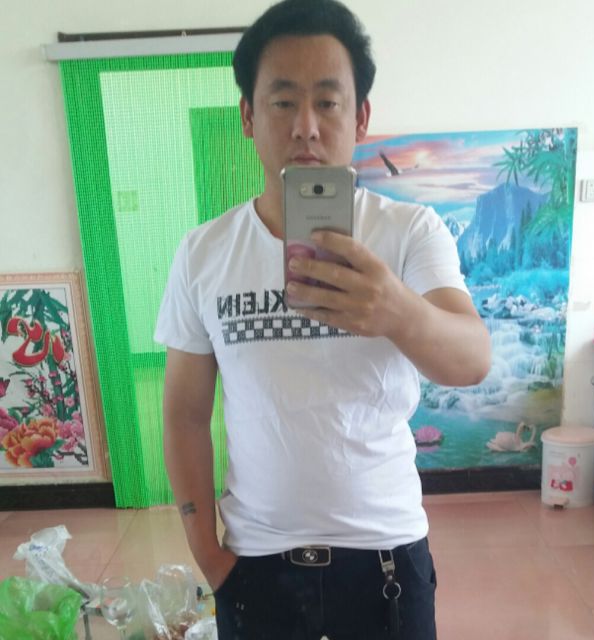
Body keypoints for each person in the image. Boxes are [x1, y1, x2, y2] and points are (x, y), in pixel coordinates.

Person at [154, 1, 491, 638]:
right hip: (255, 565)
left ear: (360, 117)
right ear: (249, 117)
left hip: (387, 562)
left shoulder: (410, 231)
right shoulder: (204, 253)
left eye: (328, 102)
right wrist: (209, 557)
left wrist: (396, 310)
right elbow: (184, 414)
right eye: (283, 102)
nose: (306, 127)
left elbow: (472, 360)